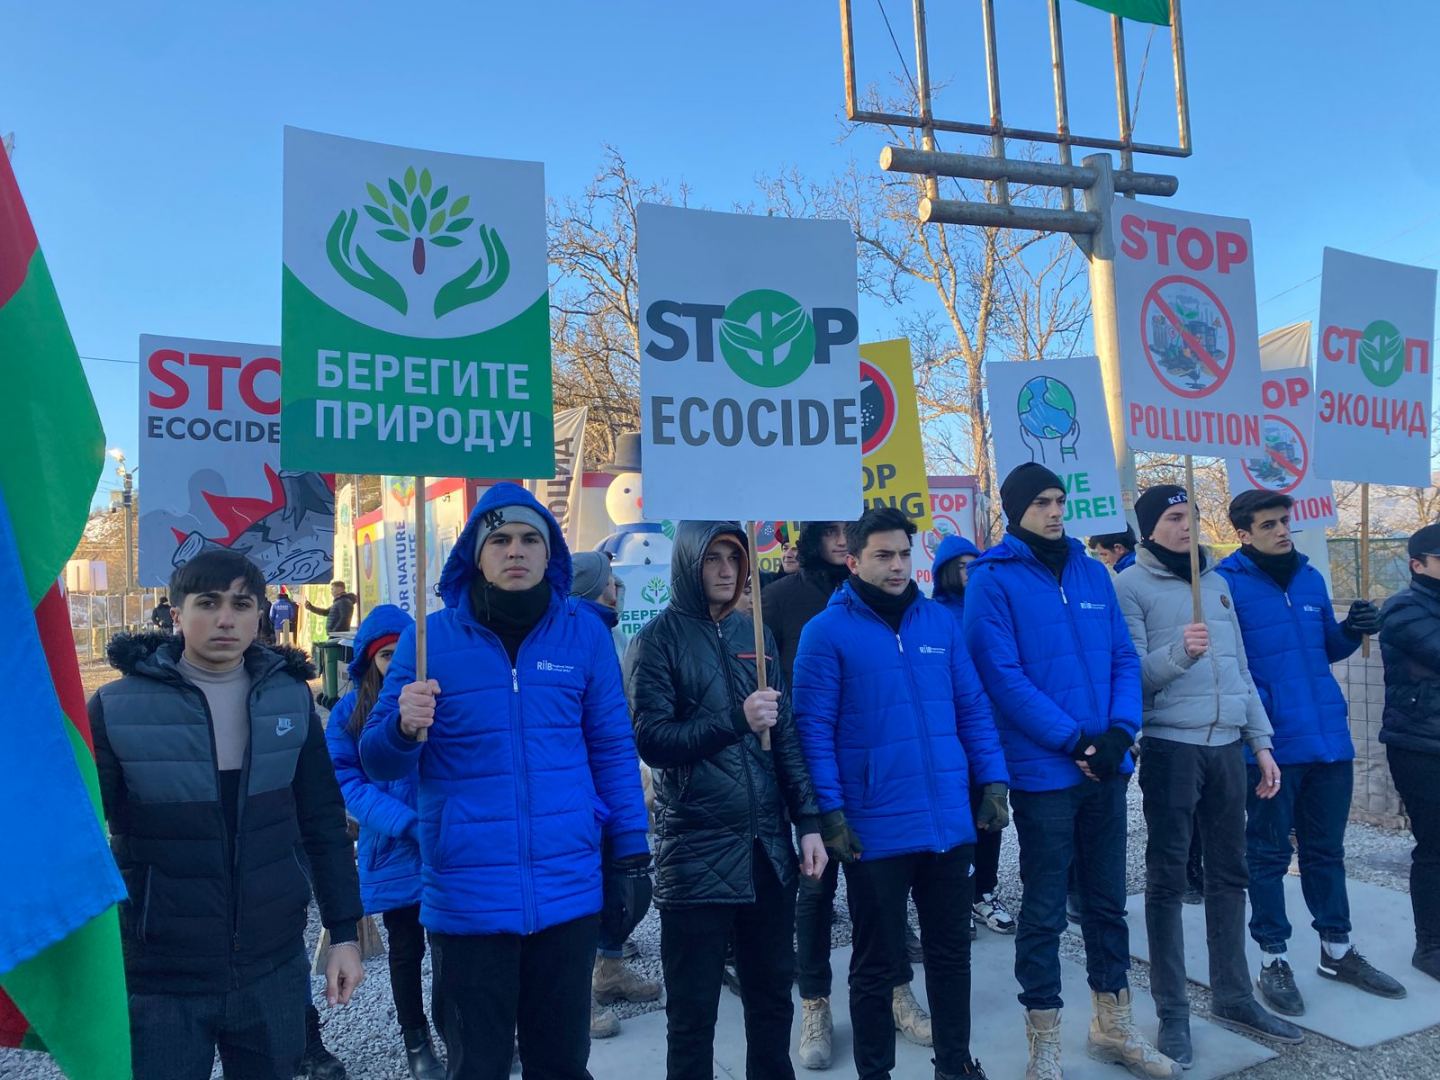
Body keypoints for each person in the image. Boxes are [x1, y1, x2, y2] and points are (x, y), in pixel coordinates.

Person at [361, 484, 650, 1080]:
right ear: (476, 552)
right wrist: (401, 731)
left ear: (550, 554)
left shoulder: (585, 635)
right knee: (478, 1065)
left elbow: (613, 751)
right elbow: (377, 762)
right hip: (466, 898)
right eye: (499, 539)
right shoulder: (428, 638)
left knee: (563, 1063)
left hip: (567, 891)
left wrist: (630, 854)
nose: (514, 551)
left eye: (528, 539)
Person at [89, 549, 364, 1080]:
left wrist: (344, 935)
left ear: (259, 613)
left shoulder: (289, 700)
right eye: (208, 602)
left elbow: (323, 825)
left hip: (272, 966)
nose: (225, 618)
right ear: (175, 613)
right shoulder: (116, 708)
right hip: (160, 976)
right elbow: (75, 841)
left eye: (241, 604)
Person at [963, 463, 1177, 1080]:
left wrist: (1119, 733)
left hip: (1106, 767)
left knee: (1108, 904)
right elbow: (1001, 675)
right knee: (1045, 909)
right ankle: (1044, 1041)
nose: (1056, 512)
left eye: (1059, 501)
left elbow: (1120, 656)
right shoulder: (992, 580)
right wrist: (1074, 740)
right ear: (1015, 510)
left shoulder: (1092, 572)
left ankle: (1112, 1024)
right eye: (1041, 503)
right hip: (1045, 774)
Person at [794, 507, 1006, 1080]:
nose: (896, 566)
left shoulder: (938, 624)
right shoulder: (826, 633)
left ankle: (956, 1065)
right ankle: (875, 1072)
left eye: (904, 554)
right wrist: (830, 812)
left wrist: (993, 779)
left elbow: (972, 709)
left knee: (950, 956)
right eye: (882, 555)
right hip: (875, 829)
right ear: (853, 559)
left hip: (946, 823)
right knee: (876, 964)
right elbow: (812, 732)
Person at [624, 520, 827, 1080]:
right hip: (694, 851)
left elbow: (785, 739)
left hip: (766, 849)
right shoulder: (656, 640)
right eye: (712, 558)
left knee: (770, 1002)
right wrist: (734, 721)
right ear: (688, 563)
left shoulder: (752, 636)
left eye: (734, 559)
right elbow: (654, 741)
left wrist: (807, 821)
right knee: (692, 1017)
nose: (724, 570)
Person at [1116, 485, 1302, 1066]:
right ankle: (1172, 1011)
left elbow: (1240, 671)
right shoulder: (1128, 586)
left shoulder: (1216, 584)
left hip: (1227, 748)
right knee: (1167, 880)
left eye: (1191, 516)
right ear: (1149, 527)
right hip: (1172, 747)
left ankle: (1233, 993)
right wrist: (1179, 653)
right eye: (1173, 518)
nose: (1184, 526)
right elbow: (1133, 677)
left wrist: (1261, 743)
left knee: (1231, 872)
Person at [1217, 491, 1404, 1014]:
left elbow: (1327, 647)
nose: (1282, 530)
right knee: (1269, 855)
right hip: (1273, 744)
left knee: (1326, 851)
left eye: (1285, 522)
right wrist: (1256, 739)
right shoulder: (1225, 586)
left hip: (1327, 737)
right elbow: (1231, 667)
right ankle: (1272, 957)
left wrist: (1353, 629)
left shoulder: (1310, 577)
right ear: (1243, 533)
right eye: (1270, 523)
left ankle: (1336, 949)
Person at [765, 521, 934, 1068]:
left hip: (875, 779)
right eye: (830, 530)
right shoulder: (779, 599)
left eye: (848, 530)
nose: (840, 540)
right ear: (812, 536)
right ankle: (814, 1002)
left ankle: (895, 989)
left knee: (882, 896)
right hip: (808, 772)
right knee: (814, 895)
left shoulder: (887, 599)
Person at [325, 604, 446, 1079]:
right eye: (386, 656)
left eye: (404, 655)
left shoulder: (434, 693)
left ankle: (457, 1029)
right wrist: (406, 822)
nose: (396, 665)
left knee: (453, 946)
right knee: (406, 949)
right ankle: (416, 1041)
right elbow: (348, 784)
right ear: (369, 661)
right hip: (394, 846)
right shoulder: (348, 712)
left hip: (443, 844)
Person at [568, 550, 661, 1039]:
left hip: (607, 784)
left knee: (618, 888)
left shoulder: (602, 629)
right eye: (611, 583)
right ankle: (576, 997)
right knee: (588, 893)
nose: (617, 590)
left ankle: (608, 969)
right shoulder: (579, 632)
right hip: (585, 791)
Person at [932, 535, 1017, 941]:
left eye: (976, 564)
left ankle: (985, 891)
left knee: (992, 814)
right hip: (953, 733)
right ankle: (956, 895)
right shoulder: (934, 616)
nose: (971, 572)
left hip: (994, 731)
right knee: (958, 816)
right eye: (963, 565)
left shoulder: (995, 609)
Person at [1379, 522, 1440, 983]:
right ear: (1417, 565)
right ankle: (1431, 945)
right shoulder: (1402, 609)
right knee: (1436, 847)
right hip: (1421, 747)